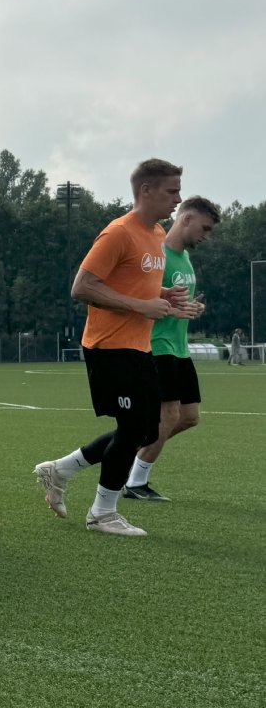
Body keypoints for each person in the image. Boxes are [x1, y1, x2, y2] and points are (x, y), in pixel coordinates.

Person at [33, 159, 198, 536]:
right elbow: (82, 287)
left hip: (138, 346)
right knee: (136, 427)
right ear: (146, 191)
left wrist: (162, 295)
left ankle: (61, 470)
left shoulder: (156, 233)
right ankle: (102, 513)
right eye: (172, 191)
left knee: (146, 428)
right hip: (109, 346)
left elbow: (131, 283)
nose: (178, 199)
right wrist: (142, 306)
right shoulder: (118, 232)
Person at [123, 195, 219, 501]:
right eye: (204, 228)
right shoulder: (156, 254)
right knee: (168, 414)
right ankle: (135, 482)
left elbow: (175, 302)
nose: (206, 236)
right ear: (186, 219)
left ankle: (129, 457)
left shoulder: (185, 258)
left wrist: (192, 308)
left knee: (189, 417)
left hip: (180, 348)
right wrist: (173, 310)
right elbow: (139, 301)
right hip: (157, 344)